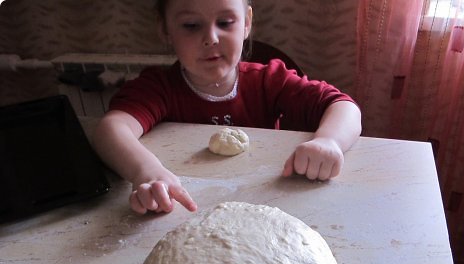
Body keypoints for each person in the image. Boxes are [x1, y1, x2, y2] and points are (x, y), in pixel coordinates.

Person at [90, 0, 362, 215]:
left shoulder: (269, 80)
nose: (210, 38)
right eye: (191, 25)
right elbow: (111, 129)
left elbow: (343, 106)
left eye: (225, 22)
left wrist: (329, 141)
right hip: (189, 208)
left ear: (246, 24)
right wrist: (146, 172)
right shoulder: (159, 89)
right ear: (165, 30)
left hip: (264, 203)